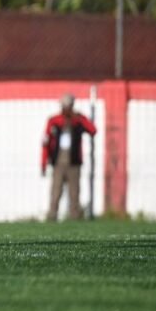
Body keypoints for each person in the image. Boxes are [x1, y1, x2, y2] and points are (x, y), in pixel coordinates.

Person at [41, 93, 97, 221]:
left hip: (74, 163)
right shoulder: (54, 121)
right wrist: (43, 163)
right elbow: (45, 143)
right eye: (64, 106)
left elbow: (93, 130)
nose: (66, 108)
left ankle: (75, 217)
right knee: (55, 192)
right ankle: (52, 216)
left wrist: (81, 118)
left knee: (74, 193)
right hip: (58, 163)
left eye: (69, 106)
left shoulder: (78, 121)